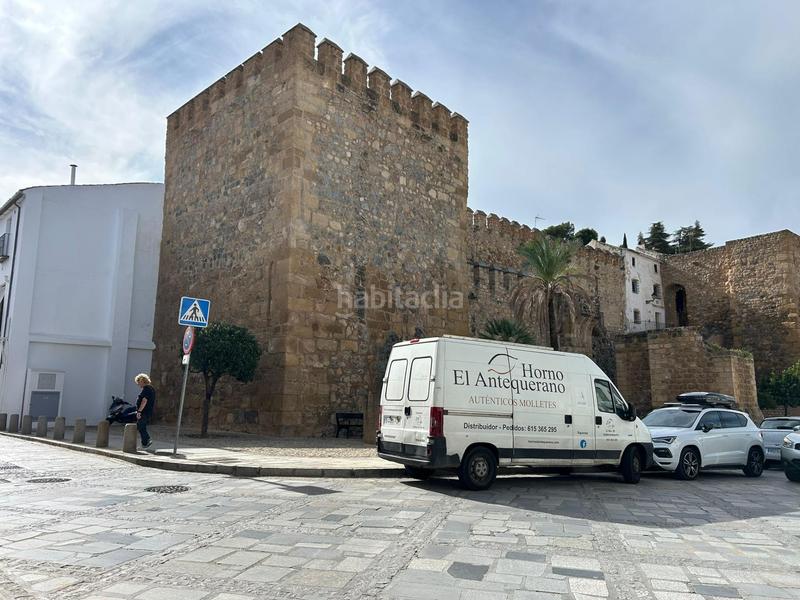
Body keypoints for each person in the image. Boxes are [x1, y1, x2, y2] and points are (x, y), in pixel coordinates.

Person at [134, 373, 155, 449]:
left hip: (144, 412)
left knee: (140, 426)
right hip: (147, 411)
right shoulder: (151, 388)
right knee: (141, 426)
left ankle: (146, 441)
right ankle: (145, 443)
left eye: (138, 382)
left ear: (142, 381)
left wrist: (139, 411)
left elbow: (144, 401)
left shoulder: (146, 389)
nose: (138, 384)